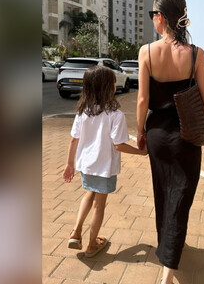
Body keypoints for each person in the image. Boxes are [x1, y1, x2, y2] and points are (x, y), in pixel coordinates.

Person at [136, 0, 204, 284]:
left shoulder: (147, 52)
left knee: (164, 194)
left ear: (161, 16)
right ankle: (166, 281)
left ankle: (168, 246)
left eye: (152, 14)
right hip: (187, 137)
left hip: (158, 134)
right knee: (180, 199)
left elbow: (143, 101)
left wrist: (140, 132)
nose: (152, 20)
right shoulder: (196, 54)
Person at [63, 66, 147, 257]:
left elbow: (74, 140)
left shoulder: (83, 112)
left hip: (86, 164)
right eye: (113, 82)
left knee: (88, 194)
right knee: (99, 205)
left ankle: (76, 232)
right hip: (105, 166)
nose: (115, 85)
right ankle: (92, 245)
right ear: (108, 88)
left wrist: (69, 164)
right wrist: (142, 153)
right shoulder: (115, 115)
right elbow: (119, 145)